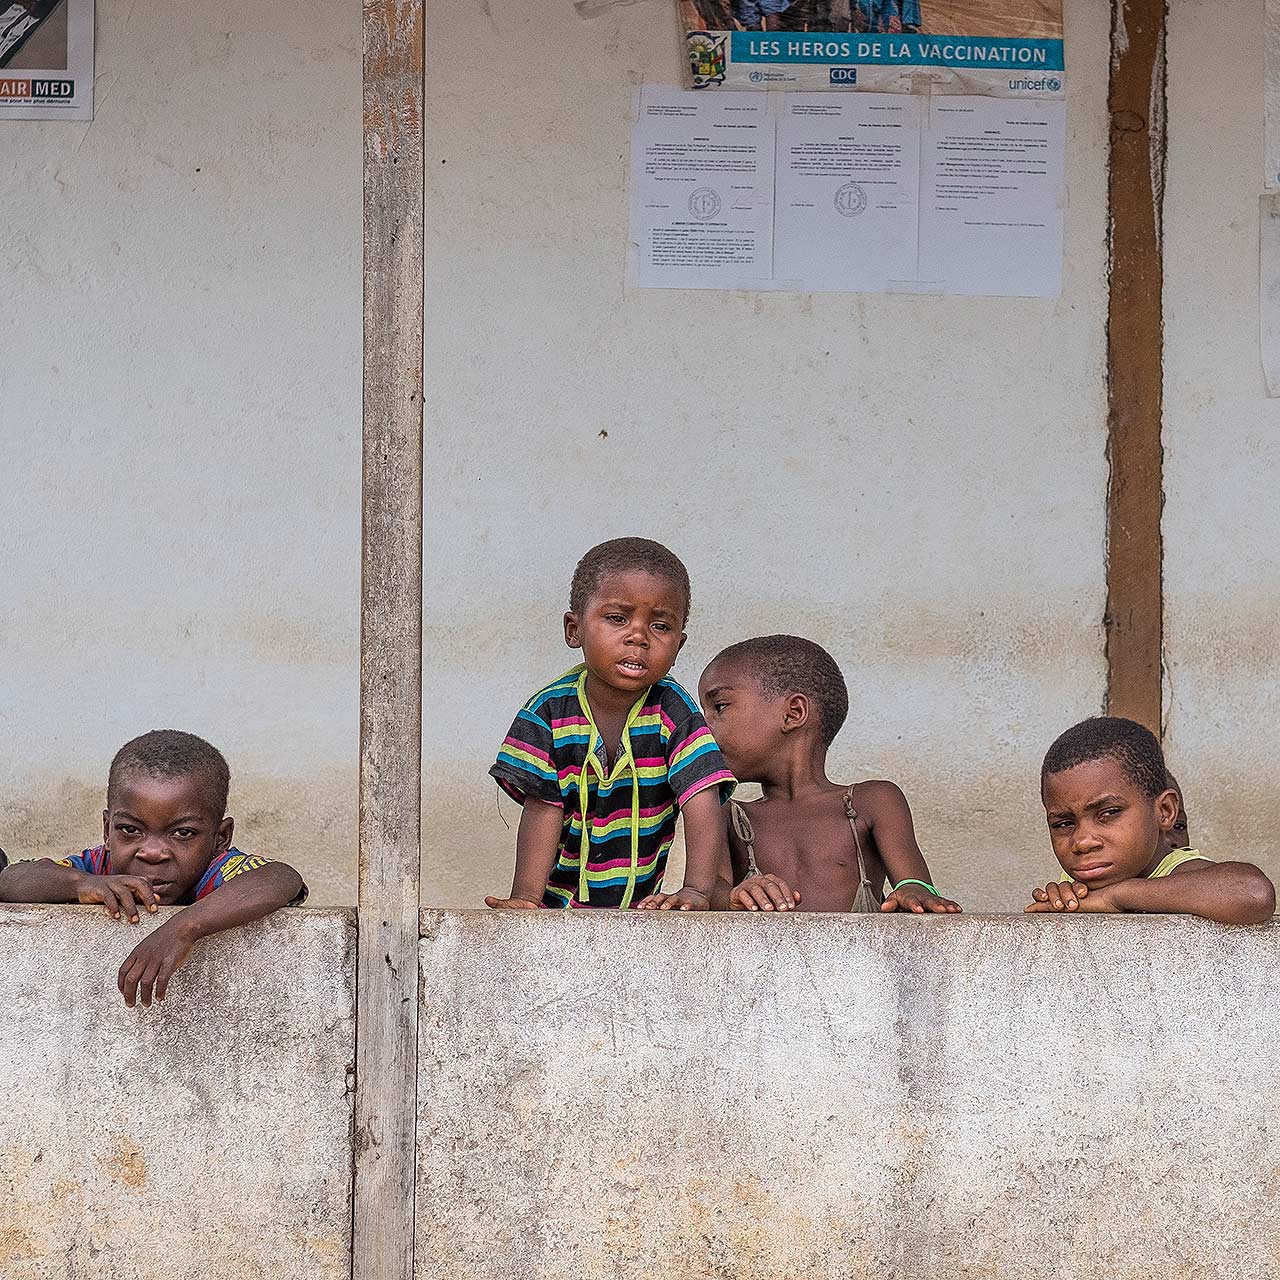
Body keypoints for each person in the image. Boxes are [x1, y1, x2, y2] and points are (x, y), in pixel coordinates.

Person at [486, 538, 734, 911]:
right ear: (574, 629)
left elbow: (701, 795)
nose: (639, 636)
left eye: (661, 626)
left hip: (640, 915)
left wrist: (696, 891)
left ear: (678, 646)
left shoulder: (674, 710)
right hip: (558, 912)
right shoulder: (547, 712)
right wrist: (526, 900)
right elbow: (543, 807)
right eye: (617, 618)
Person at [0, 730, 307, 1007]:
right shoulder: (99, 868)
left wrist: (182, 929)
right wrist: (81, 884)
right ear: (108, 830)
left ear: (220, 838)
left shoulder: (215, 871)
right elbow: (10, 879)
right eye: (130, 830)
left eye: (183, 833)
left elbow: (281, 877)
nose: (152, 852)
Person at [697, 635, 960, 914]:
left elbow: (915, 885)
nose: (702, 726)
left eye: (720, 706)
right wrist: (735, 896)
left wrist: (912, 893)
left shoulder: (872, 802)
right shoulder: (726, 814)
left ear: (793, 713)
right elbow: (711, 890)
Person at [1027, 717, 1274, 924]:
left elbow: (1252, 893)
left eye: (1109, 813)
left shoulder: (1176, 869)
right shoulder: (1075, 886)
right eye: (1063, 824)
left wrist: (1117, 896)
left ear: (1164, 811)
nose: (1082, 842)